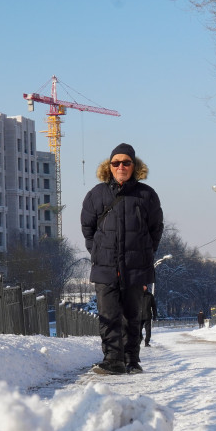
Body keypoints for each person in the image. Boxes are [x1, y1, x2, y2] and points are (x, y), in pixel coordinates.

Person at [81, 143, 163, 375]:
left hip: (136, 267)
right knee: (108, 316)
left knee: (132, 316)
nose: (121, 167)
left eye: (126, 162)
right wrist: (97, 252)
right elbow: (87, 229)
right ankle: (112, 360)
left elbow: (156, 229)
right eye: (115, 163)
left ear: (134, 166)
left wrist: (145, 253)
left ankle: (131, 360)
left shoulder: (147, 195)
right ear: (109, 166)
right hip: (105, 267)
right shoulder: (96, 194)